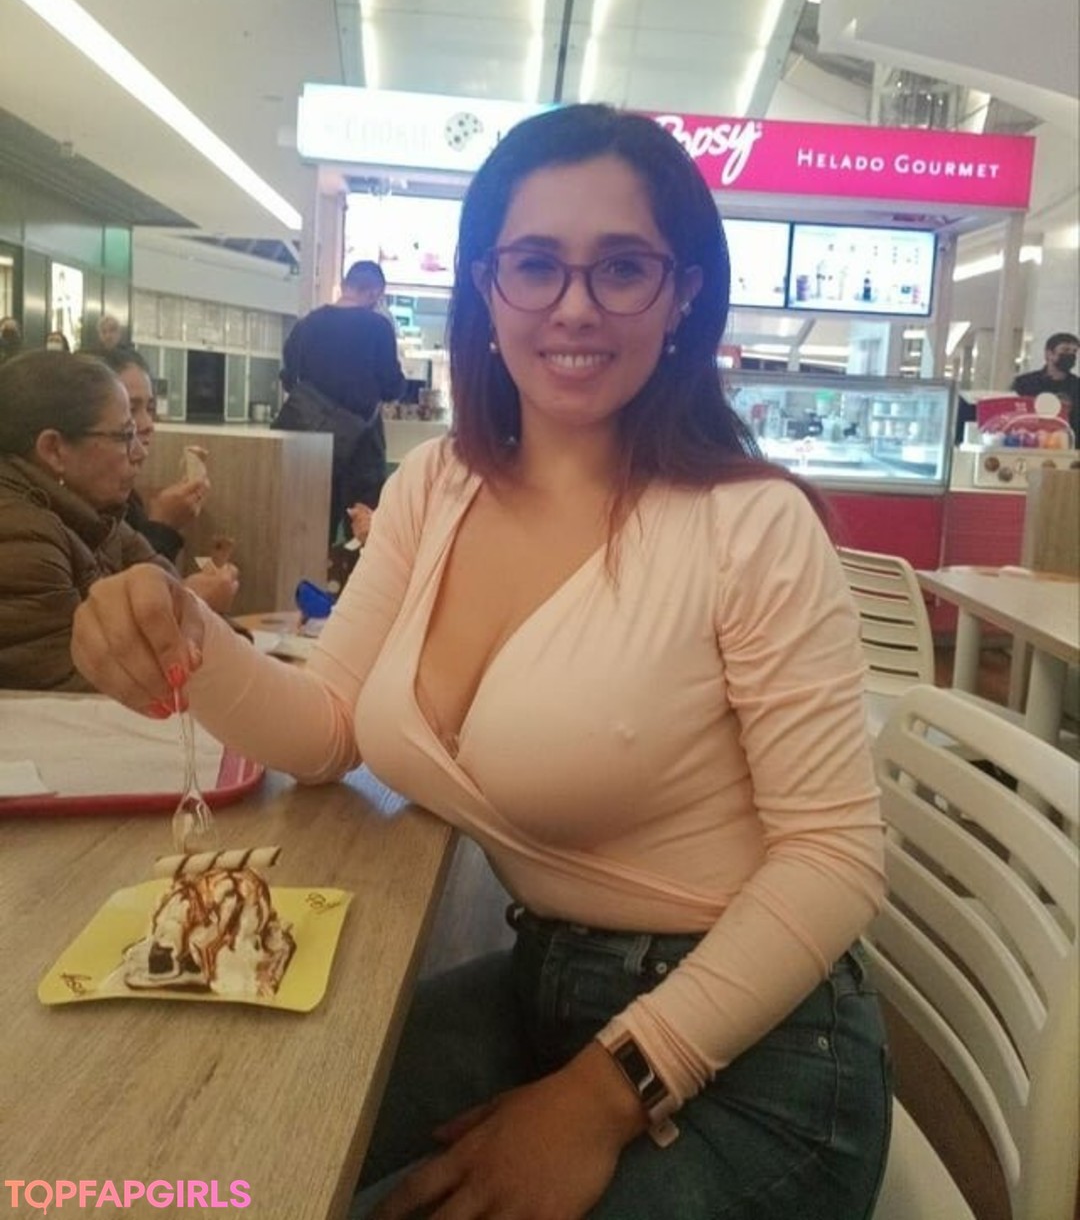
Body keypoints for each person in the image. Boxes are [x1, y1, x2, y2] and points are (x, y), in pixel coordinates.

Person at [71, 104, 889, 1220]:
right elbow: (327, 728)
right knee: (227, 1151)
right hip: (541, 987)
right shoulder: (438, 486)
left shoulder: (748, 527)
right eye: (536, 263)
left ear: (684, 292)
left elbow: (834, 858)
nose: (574, 305)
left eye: (623, 268)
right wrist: (183, 629)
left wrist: (606, 1091)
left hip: (760, 1049)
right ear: (485, 286)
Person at [0, 350, 174, 690]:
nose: (140, 452)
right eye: (124, 436)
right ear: (54, 450)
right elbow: (78, 690)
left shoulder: (94, 513)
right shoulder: (19, 536)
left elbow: (177, 601)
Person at [100, 347, 239, 613]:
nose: (147, 424)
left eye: (150, 408)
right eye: (131, 409)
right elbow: (123, 610)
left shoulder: (125, 499)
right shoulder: (58, 522)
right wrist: (163, 524)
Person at [276, 260, 406, 542]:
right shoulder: (378, 327)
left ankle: (313, 569)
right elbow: (391, 386)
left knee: (311, 525)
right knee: (363, 529)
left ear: (345, 285)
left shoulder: (307, 324)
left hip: (310, 444)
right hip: (362, 445)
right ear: (373, 293)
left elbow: (288, 378)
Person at [1011, 330, 1080, 438]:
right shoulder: (1025, 383)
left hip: (1070, 443)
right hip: (1030, 441)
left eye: (1074, 351)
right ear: (1049, 353)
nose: (1071, 355)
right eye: (1065, 350)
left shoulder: (1077, 385)